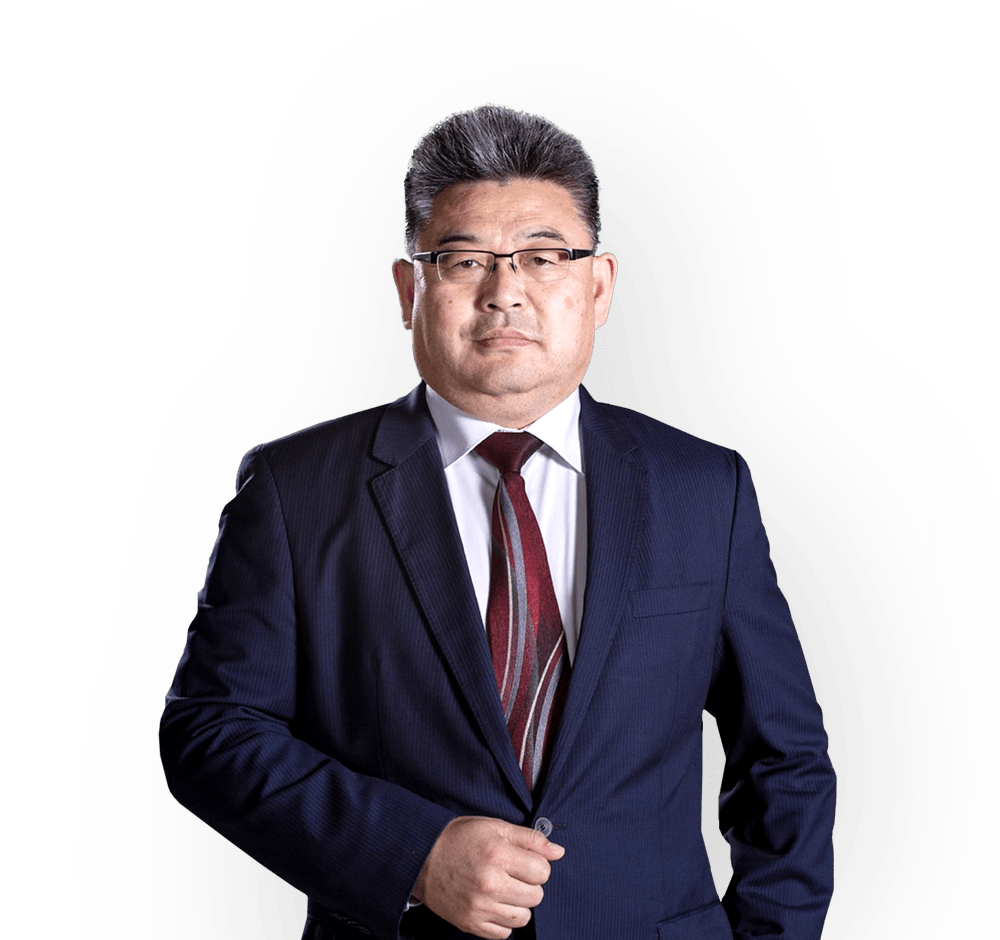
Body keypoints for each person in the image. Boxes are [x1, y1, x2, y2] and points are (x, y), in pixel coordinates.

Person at [160, 104, 836, 940]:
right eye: (463, 259)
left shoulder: (705, 486)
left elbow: (785, 760)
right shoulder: (293, 488)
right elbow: (210, 731)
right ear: (409, 290)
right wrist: (412, 854)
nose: (505, 291)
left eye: (544, 257)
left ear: (599, 288)